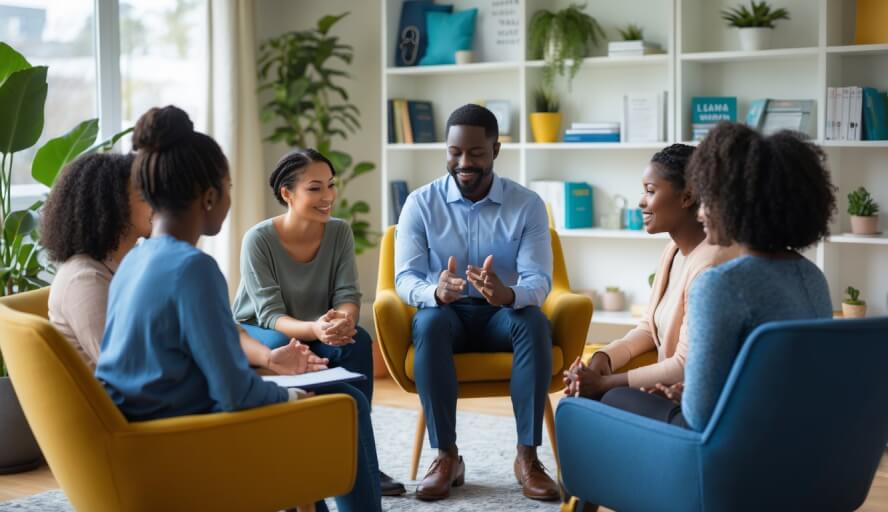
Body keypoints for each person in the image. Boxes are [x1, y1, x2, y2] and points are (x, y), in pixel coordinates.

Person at [95, 106, 381, 512]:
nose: (231, 198)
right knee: (345, 403)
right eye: (229, 186)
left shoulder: (134, 262)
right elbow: (233, 392)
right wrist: (293, 397)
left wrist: (276, 370)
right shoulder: (194, 268)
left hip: (140, 431)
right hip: (182, 436)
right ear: (210, 197)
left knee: (337, 395)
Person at [580, 122, 836, 430]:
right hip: (800, 435)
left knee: (593, 401)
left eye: (710, 198)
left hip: (729, 445)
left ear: (735, 205)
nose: (702, 212)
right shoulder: (812, 276)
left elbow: (700, 414)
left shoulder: (721, 282)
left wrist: (681, 395)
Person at [395, 103, 559, 501]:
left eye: (476, 153)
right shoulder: (420, 203)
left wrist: (508, 294)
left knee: (533, 321)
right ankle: (446, 456)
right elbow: (405, 279)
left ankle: (527, 456)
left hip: (502, 315)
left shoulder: (528, 205)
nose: (464, 162)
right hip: (447, 315)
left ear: (496, 150)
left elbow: (539, 279)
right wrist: (435, 291)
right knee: (429, 322)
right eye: (455, 152)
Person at [42, 152, 320, 376]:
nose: (160, 203)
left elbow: (220, 328)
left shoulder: (138, 263)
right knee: (327, 400)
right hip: (149, 426)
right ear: (109, 205)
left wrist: (268, 359)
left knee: (332, 393)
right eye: (145, 196)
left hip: (180, 400)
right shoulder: (84, 279)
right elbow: (133, 371)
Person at [232, 148, 405, 497]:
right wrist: (315, 329)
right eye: (315, 188)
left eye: (330, 185)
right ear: (287, 193)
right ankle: (308, 455)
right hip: (263, 330)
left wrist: (341, 321)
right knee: (283, 346)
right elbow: (269, 314)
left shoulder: (339, 232)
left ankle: (357, 452)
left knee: (356, 339)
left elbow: (347, 294)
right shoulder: (259, 240)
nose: (327, 197)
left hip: (317, 327)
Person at [562, 144, 738, 400]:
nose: (641, 201)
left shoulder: (710, 266)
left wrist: (605, 383)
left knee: (597, 398)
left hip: (697, 400)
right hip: (671, 390)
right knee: (580, 396)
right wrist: (605, 356)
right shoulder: (673, 251)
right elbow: (648, 327)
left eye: (651, 191)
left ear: (687, 197)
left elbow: (684, 366)